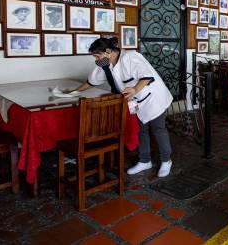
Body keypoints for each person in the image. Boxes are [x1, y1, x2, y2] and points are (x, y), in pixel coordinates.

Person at [69, 37, 174, 177]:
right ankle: (145, 160)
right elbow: (91, 81)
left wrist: (135, 89)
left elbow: (147, 76)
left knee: (158, 129)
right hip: (135, 102)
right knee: (140, 130)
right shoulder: (105, 65)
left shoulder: (130, 57)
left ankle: (166, 161)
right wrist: (73, 92)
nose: (96, 59)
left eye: (97, 55)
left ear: (108, 51)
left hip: (152, 98)